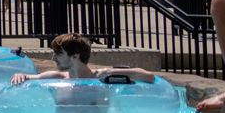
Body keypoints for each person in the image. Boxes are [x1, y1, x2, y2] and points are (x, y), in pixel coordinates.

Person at [13, 34, 155, 85]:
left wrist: (112, 71)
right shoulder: (56, 77)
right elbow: (27, 78)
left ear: (75, 56)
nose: (53, 58)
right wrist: (21, 75)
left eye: (59, 53)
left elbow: (148, 76)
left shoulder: (101, 77)